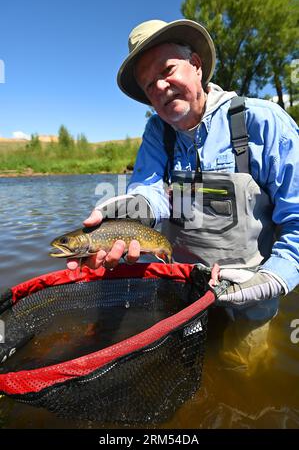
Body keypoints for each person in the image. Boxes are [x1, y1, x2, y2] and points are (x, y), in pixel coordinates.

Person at [68, 19, 299, 372]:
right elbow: (149, 192)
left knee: (241, 370)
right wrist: (126, 213)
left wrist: (271, 280)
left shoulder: (262, 122)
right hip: (183, 286)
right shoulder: (157, 133)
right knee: (180, 365)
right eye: (149, 85)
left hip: (250, 289)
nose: (160, 87)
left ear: (196, 64)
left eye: (167, 70)